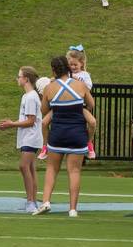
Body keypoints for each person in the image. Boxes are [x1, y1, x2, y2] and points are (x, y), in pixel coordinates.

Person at [34, 55, 95, 216]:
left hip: (57, 134)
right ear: (68, 68)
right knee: (74, 171)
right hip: (78, 134)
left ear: (53, 70)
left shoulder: (49, 88)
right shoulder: (80, 85)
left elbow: (44, 111)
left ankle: (46, 201)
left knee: (52, 169)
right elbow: (91, 104)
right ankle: (73, 209)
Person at [0, 67, 43, 213]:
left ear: (26, 79)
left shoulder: (30, 97)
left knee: (24, 166)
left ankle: (31, 201)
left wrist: (11, 124)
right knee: (30, 168)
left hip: (31, 137)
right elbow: (26, 119)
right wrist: (11, 123)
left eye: (19, 76)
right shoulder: (27, 96)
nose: (17, 79)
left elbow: (30, 121)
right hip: (28, 137)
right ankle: (32, 200)